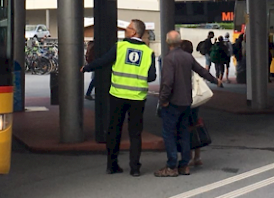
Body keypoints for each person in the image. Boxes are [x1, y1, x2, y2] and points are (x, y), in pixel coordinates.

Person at [80, 19, 156, 177]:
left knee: (114, 130)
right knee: (135, 133)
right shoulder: (149, 53)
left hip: (118, 95)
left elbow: (103, 61)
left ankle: (112, 165)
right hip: (137, 97)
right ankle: (135, 168)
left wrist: (87, 68)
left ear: (134, 32)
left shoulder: (120, 47)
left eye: (128, 27)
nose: (126, 29)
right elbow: (151, 76)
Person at [155, 31, 220, 177]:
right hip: (186, 102)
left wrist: (163, 100)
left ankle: (172, 166)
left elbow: (168, 83)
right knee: (184, 132)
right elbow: (202, 71)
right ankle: (184, 165)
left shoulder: (169, 59)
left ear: (167, 42)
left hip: (172, 102)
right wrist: (215, 80)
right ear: (179, 42)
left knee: (169, 134)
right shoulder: (187, 57)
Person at [180, 39, 204, 167]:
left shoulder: (181, 62)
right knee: (194, 125)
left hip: (183, 99)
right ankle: (197, 156)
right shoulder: (193, 61)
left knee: (185, 128)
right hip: (195, 99)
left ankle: (187, 156)